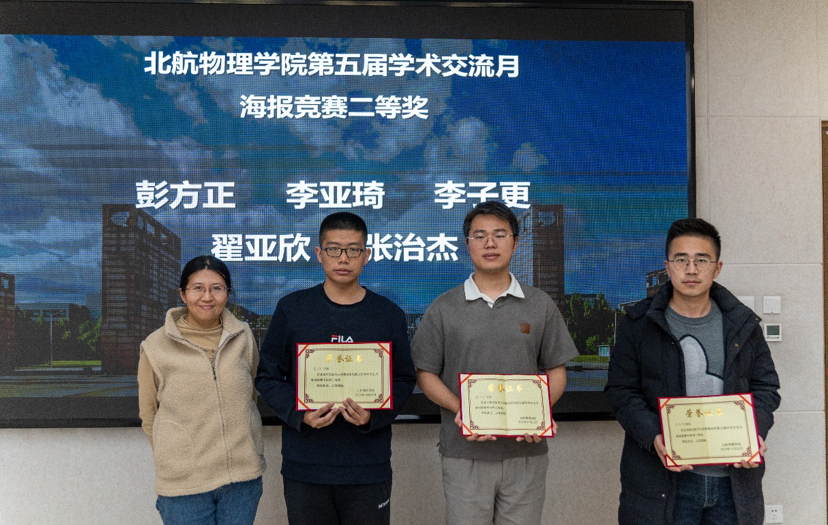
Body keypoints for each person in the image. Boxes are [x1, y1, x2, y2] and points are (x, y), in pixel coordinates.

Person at [410, 201, 578, 525]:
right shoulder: (444, 307)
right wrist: (461, 409)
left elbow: (556, 370)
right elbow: (425, 374)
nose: (490, 243)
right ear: (467, 244)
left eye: (500, 235)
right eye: (480, 235)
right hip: (464, 453)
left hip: (526, 452)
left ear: (515, 242)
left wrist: (540, 413)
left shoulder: (540, 304)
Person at [605, 218, 781, 525]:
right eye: (681, 260)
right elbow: (621, 392)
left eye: (701, 260)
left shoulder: (743, 324)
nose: (691, 269)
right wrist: (654, 437)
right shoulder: (639, 324)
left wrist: (755, 430)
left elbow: (766, 388)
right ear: (667, 267)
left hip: (733, 483)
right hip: (663, 481)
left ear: (717, 268)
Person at [255, 211, 416, 525]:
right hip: (306, 465)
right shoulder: (292, 309)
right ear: (319, 253)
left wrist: (373, 416)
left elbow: (404, 378)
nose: (343, 258)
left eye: (353, 249)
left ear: (366, 255)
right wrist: (300, 415)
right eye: (334, 249)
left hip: (368, 465)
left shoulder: (388, 314)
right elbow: (268, 376)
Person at [138, 255, 266, 525]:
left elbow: (250, 397)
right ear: (182, 294)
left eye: (216, 288)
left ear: (228, 294)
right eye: (198, 288)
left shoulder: (244, 336)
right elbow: (149, 414)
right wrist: (176, 457)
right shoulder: (155, 346)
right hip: (185, 486)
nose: (207, 297)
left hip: (241, 480)